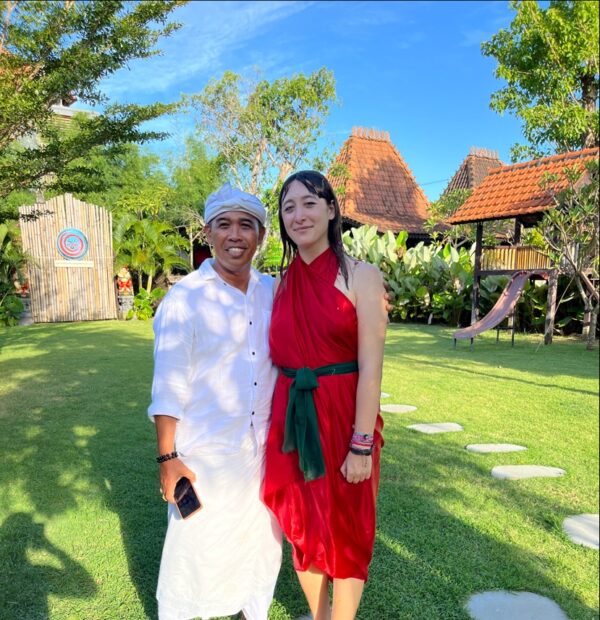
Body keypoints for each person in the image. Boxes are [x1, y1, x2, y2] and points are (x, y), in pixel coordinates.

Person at [148, 183, 282, 620]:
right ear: (208, 233)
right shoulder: (185, 299)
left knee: (261, 544)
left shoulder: (273, 292)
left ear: (260, 235)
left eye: (247, 225)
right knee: (196, 552)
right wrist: (168, 456)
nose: (236, 235)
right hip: (205, 453)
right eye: (224, 225)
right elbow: (168, 384)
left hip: (262, 452)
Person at [262, 171, 387, 620]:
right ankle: (319, 615)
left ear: (331, 210)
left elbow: (372, 367)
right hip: (292, 421)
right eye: (288, 206)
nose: (299, 214)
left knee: (349, 525)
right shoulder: (276, 287)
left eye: (309, 203)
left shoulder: (361, 276)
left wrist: (361, 444)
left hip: (343, 415)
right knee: (303, 522)